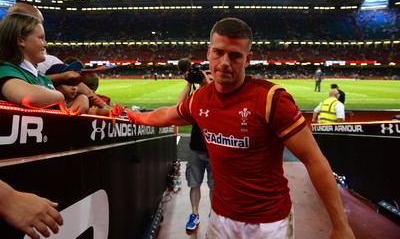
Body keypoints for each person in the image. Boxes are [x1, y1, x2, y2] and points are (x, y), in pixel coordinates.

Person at [126, 18, 355, 238]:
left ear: (248, 59)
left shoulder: (271, 99)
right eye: (218, 52)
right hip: (220, 217)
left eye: (235, 55)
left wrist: (340, 225)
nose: (224, 62)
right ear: (208, 52)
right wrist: (134, 116)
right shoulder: (200, 99)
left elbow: (314, 160)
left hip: (269, 223)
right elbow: (167, 114)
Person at [0, 13, 66, 111]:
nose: (46, 44)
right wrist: (60, 96)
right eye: (41, 38)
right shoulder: (5, 70)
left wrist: (80, 101)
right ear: (21, 40)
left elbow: (58, 110)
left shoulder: (43, 78)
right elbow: (28, 97)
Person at [176, 68, 214, 231]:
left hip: (214, 152)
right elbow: (179, 106)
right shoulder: (196, 98)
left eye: (212, 79)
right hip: (196, 149)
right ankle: (194, 213)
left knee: (215, 187)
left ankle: (214, 214)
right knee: (194, 184)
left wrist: (206, 81)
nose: (207, 80)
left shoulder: (220, 97)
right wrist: (189, 84)